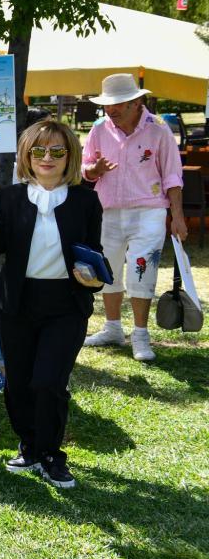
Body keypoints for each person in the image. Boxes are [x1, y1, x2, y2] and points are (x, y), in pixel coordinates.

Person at [0, 119, 104, 488]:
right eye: (38, 150)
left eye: (57, 151)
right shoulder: (11, 197)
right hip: (18, 300)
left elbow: (93, 253)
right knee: (18, 383)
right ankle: (29, 446)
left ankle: (51, 454)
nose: (47, 157)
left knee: (49, 382)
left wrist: (93, 277)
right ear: (26, 156)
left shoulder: (86, 200)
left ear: (70, 157)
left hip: (66, 304)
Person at [80, 74, 185, 362]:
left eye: (118, 105)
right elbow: (84, 168)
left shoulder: (159, 129)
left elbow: (173, 175)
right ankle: (113, 328)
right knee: (108, 270)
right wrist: (93, 171)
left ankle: (140, 333)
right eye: (107, 105)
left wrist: (177, 216)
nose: (110, 110)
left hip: (149, 210)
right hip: (107, 210)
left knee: (143, 270)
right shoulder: (100, 129)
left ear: (137, 102)